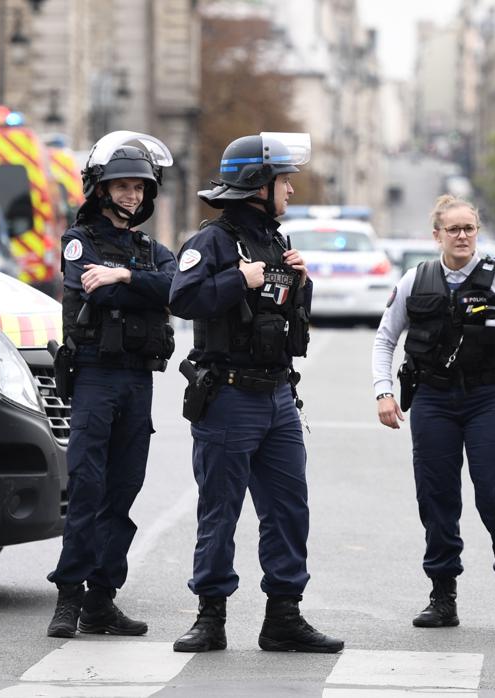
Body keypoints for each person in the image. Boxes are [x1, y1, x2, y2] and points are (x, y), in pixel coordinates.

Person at [168, 132, 342, 654]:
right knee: (219, 510)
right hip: (229, 396)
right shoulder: (212, 243)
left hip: (278, 398)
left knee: (289, 509)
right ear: (256, 185)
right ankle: (210, 616)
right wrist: (236, 281)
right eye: (282, 180)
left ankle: (283, 616)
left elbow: (285, 316)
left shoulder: (276, 242)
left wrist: (301, 282)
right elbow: (183, 298)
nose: (290, 189)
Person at [372, 194, 495, 632]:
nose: (463, 236)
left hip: (485, 398)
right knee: (437, 498)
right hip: (432, 399)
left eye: (469, 228)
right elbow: (385, 338)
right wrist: (383, 392)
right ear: (437, 235)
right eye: (453, 229)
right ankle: (442, 595)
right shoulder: (417, 279)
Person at [45, 131, 177, 639]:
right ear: (100, 189)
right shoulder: (81, 241)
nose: (131, 195)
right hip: (96, 376)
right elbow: (87, 291)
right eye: (121, 186)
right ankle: (68, 598)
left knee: (122, 492)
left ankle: (101, 600)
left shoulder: (150, 248)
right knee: (87, 489)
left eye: (139, 188)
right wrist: (141, 288)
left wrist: (123, 279)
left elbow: (179, 289)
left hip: (137, 380)